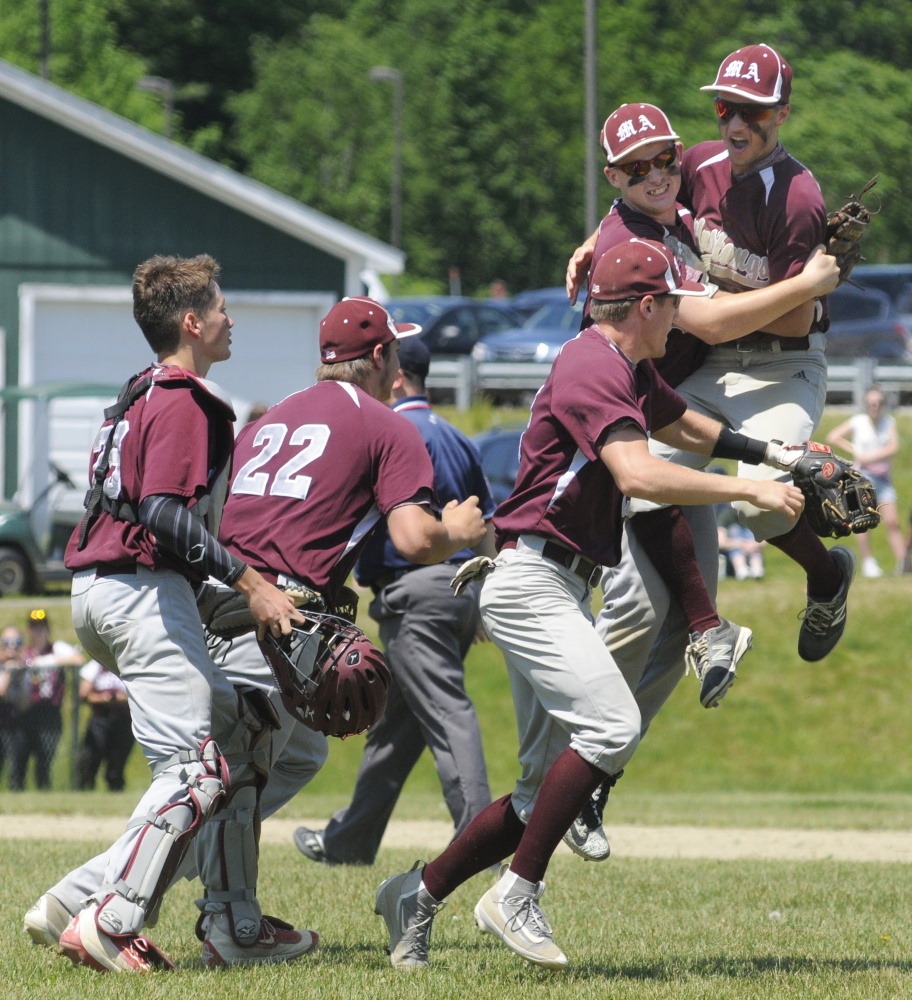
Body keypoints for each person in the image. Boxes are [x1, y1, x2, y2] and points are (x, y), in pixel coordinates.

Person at [374, 238, 804, 971]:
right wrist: (748, 491)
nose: (683, 316)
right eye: (675, 302)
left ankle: (417, 891)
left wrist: (772, 457)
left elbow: (683, 426)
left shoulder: (625, 365)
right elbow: (639, 473)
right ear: (645, 306)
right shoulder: (590, 362)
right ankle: (515, 895)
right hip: (530, 580)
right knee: (612, 726)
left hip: (557, 582)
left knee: (536, 796)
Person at [23, 294, 486, 968]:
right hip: (273, 608)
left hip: (219, 594)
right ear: (383, 357)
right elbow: (415, 538)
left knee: (288, 757)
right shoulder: (387, 423)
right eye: (394, 353)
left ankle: (189, 913)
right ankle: (123, 909)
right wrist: (461, 535)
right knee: (225, 770)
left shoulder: (272, 416)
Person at [563, 49, 857, 857]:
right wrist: (596, 239)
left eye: (751, 111)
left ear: (780, 116)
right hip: (714, 355)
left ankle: (827, 576)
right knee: (653, 484)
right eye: (724, 106)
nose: (732, 123)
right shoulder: (695, 162)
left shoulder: (797, 197)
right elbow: (640, 192)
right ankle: (702, 636)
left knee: (769, 500)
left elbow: (792, 327)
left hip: (783, 362)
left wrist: (807, 287)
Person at [23, 254, 306, 973]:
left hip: (112, 588)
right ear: (191, 322)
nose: (228, 318)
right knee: (195, 770)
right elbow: (161, 515)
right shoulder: (184, 397)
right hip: (137, 590)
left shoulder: (140, 391)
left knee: (241, 730)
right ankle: (109, 921)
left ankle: (232, 923)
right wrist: (250, 584)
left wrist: (264, 597)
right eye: (218, 307)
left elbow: (148, 527)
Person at [294, 336, 496, 866]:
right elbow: (486, 526)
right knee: (396, 728)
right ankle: (348, 842)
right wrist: (482, 595)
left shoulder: (390, 431)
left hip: (415, 592)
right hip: (458, 590)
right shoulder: (458, 436)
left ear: (398, 375)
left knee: (448, 715)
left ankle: (485, 843)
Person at [827, 386, 906, 577]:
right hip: (862, 478)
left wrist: (869, 457)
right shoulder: (858, 421)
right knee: (863, 521)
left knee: (893, 521)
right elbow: (833, 436)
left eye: (878, 403)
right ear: (866, 404)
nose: (875, 406)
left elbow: (893, 447)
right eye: (871, 403)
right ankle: (869, 563)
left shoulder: (888, 422)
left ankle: (904, 563)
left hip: (883, 478)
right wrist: (855, 451)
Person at [7, 610, 84, 792]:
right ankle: (17, 796)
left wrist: (48, 661)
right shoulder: (24, 653)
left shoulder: (56, 649)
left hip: (49, 713)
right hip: (25, 713)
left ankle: (43, 792)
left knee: (44, 760)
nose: (38, 631)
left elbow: (78, 658)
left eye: (41, 627)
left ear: (47, 630)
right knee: (19, 759)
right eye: (34, 627)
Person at [75, 660, 136, 792]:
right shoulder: (96, 665)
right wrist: (103, 698)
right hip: (101, 719)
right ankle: (85, 791)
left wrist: (123, 698)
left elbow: (141, 694)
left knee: (116, 765)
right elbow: (84, 694)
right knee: (90, 759)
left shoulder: (130, 664)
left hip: (124, 720)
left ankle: (116, 793)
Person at [0, 625, 27, 789]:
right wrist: (7, 672)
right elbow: (1, 694)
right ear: (0, 643)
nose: (13, 646)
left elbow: (24, 705)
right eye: (8, 642)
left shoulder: (21, 667)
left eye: (17, 642)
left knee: (16, 766)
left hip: (13, 723)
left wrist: (19, 679)